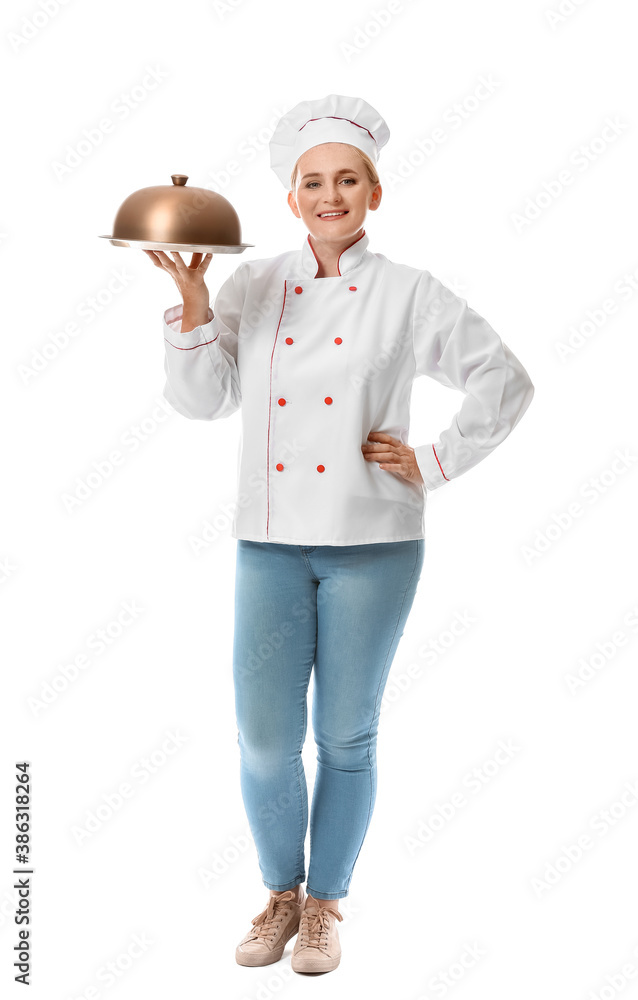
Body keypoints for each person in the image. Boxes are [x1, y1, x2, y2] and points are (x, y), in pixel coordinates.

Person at [143, 94, 535, 976]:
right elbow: (202, 403)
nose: (330, 195)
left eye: (347, 179)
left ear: (374, 191)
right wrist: (195, 303)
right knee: (262, 736)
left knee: (345, 736)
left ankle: (325, 905)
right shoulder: (254, 282)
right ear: (290, 198)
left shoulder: (409, 293)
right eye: (313, 182)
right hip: (271, 540)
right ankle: (280, 893)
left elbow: (504, 382)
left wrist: (431, 463)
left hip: (374, 544)